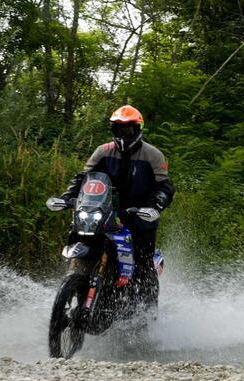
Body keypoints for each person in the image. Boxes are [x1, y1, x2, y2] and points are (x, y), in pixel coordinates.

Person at [61, 105, 174, 307]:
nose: (124, 133)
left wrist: (155, 206)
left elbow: (164, 187)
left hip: (139, 218)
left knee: (143, 265)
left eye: (128, 129)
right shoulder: (103, 151)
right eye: (119, 129)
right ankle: (74, 285)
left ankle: (147, 314)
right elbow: (83, 178)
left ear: (138, 129)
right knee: (78, 235)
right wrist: (68, 197)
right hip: (102, 213)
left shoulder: (153, 155)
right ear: (113, 130)